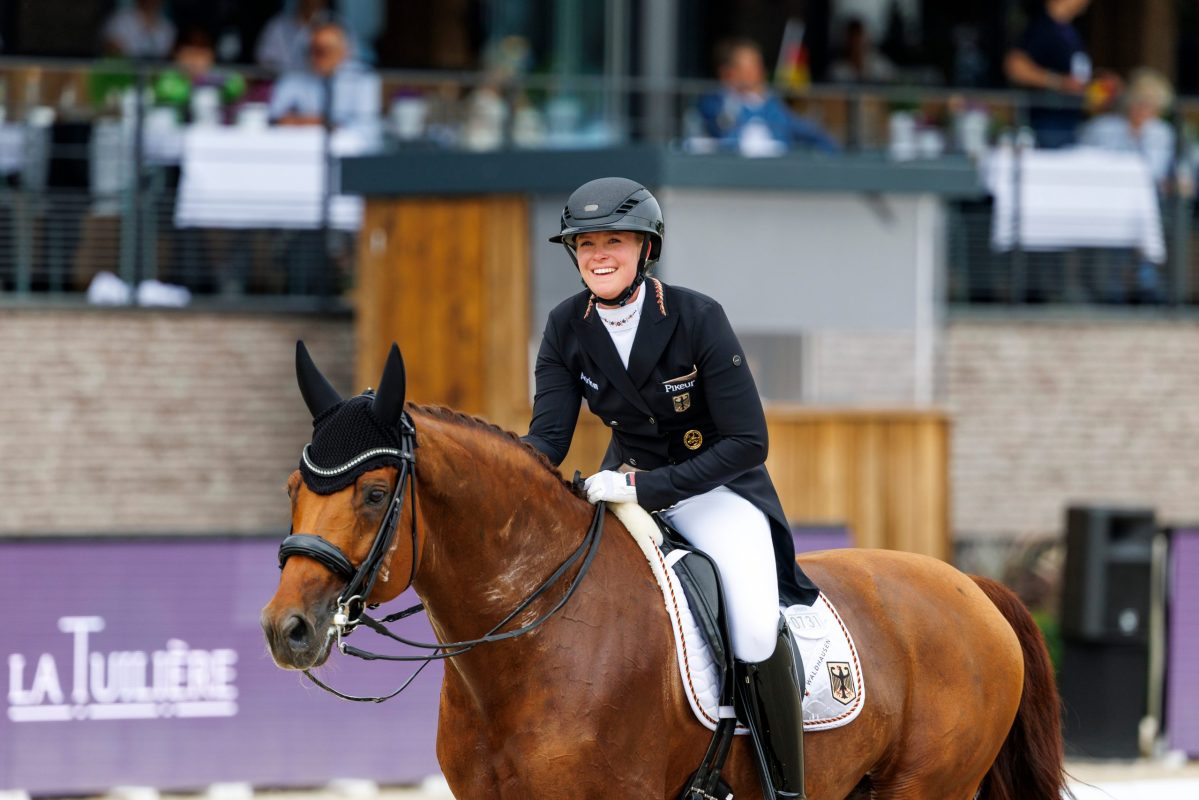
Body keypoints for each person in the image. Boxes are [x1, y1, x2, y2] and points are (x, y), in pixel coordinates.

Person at [522, 177, 818, 797]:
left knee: (757, 627)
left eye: (614, 241)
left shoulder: (696, 316)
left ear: (645, 250)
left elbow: (748, 443)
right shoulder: (565, 327)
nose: (598, 255)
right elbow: (546, 441)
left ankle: (784, 789)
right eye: (585, 245)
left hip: (717, 492)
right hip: (620, 492)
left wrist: (650, 486)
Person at [696, 38, 839, 155]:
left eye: (757, 67)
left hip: (777, 176)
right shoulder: (716, 102)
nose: (755, 73)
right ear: (729, 72)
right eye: (747, 68)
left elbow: (809, 133)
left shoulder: (772, 105)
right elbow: (723, 130)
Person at [268, 16, 381, 142]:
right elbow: (275, 119)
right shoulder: (294, 75)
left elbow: (365, 130)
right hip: (299, 149)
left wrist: (305, 121)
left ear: (345, 51)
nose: (316, 57)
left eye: (326, 51)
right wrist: (326, 123)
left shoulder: (362, 78)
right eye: (312, 50)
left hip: (347, 154)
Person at [1004, 0, 1096, 148]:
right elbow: (1015, 67)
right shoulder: (1042, 27)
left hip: (1069, 120)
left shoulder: (1070, 30)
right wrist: (1059, 82)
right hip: (1047, 121)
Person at [1080, 68, 1175, 186]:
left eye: (1150, 105)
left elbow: (1156, 170)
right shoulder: (1103, 126)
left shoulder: (1160, 131)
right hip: (1102, 185)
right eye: (1139, 103)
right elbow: (1088, 161)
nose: (1143, 110)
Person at [256, 0, 331, 74]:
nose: (312, 2)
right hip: (282, 80)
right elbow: (264, 59)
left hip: (318, 82)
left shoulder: (332, 27)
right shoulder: (278, 25)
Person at [829, 17, 897, 84]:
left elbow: (894, 83)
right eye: (853, 39)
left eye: (859, 37)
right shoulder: (838, 70)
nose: (856, 43)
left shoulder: (880, 67)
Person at [101, 0, 176, 59]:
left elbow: (168, 58)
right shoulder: (120, 19)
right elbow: (111, 49)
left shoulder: (168, 27)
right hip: (125, 73)